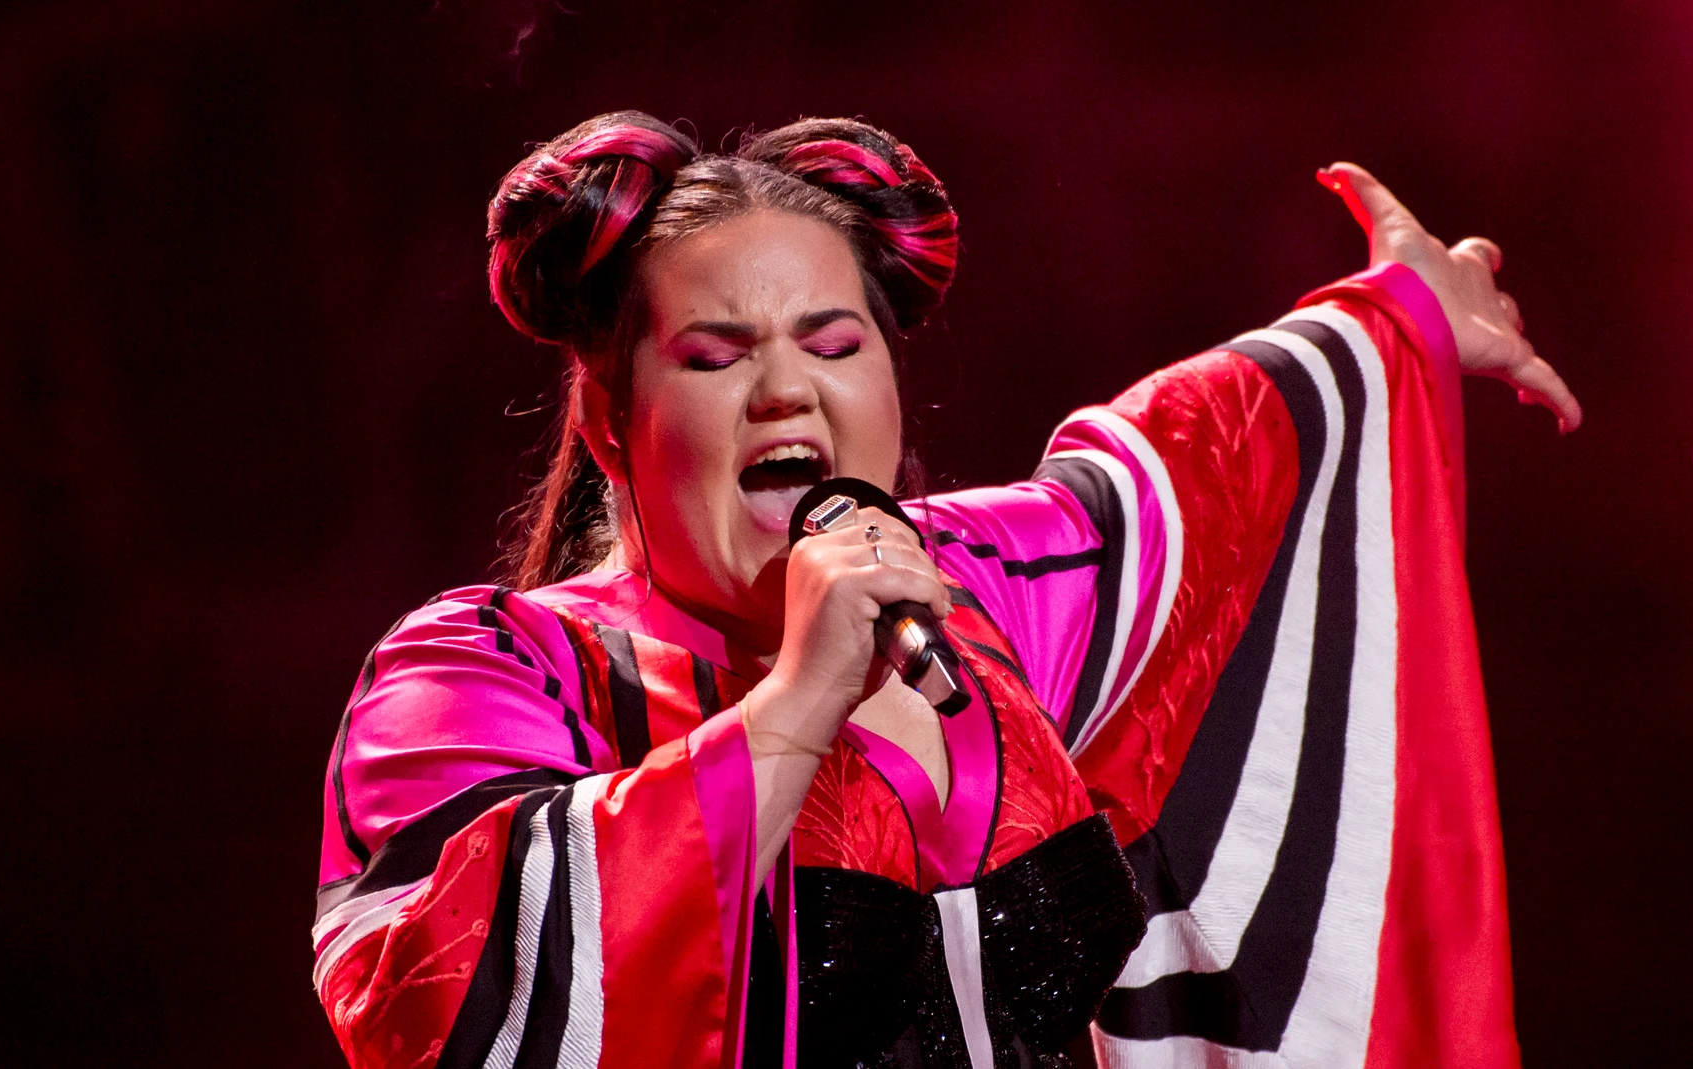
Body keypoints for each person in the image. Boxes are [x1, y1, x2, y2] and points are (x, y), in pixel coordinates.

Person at [311, 110, 1578, 1069]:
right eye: (715, 355)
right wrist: (799, 701)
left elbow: (1209, 466)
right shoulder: (484, 671)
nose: (785, 391)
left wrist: (1400, 317)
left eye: (833, 342)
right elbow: (446, 993)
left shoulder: (981, 599)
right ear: (605, 424)